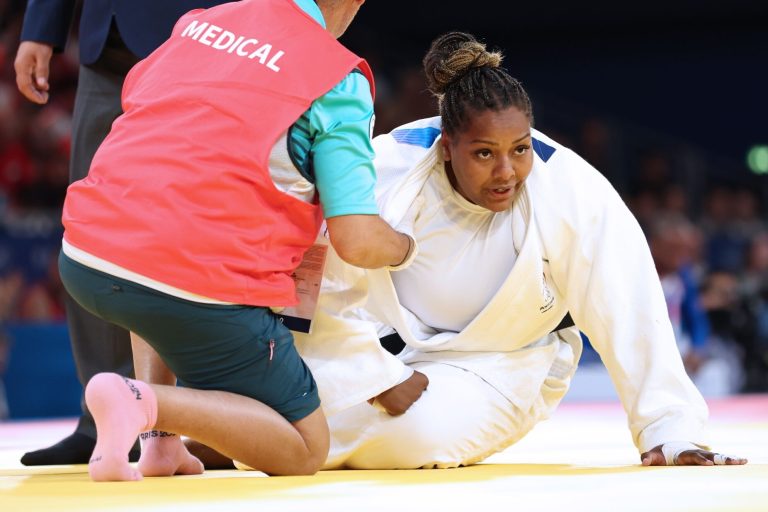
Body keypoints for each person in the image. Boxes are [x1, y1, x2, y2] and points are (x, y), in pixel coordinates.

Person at [204, 31, 747, 470]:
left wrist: (669, 430)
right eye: (484, 153)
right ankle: (252, 439)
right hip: (383, 351)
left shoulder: (572, 191)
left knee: (419, 438)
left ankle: (262, 447)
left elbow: (630, 306)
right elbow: (324, 275)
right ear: (447, 147)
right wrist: (373, 375)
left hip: (504, 364)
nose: (507, 172)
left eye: (520, 149)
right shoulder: (390, 166)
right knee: (272, 397)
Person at [58, 0, 416, 482]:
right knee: (305, 448)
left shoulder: (202, 23)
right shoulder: (336, 79)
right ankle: (145, 404)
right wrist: (409, 247)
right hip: (193, 286)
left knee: (155, 218)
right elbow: (357, 240)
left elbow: (139, 109)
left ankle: (159, 450)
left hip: (87, 255)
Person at [14, 0, 235, 466]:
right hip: (108, 45)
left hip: (207, 43)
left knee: (191, 231)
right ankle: (102, 420)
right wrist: (41, 29)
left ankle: (201, 415)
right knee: (92, 233)